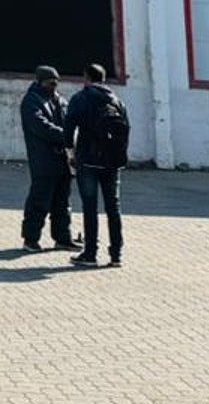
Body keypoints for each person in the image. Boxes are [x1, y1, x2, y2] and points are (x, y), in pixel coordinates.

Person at [64, 63, 128, 268]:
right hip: (112, 162)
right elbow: (126, 129)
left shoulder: (80, 99)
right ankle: (116, 254)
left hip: (89, 161)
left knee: (90, 207)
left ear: (86, 78)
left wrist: (70, 153)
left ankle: (90, 253)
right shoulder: (117, 100)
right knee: (113, 208)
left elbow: (68, 128)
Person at [19, 64, 78, 253]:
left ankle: (63, 238)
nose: (53, 87)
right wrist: (66, 136)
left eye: (55, 83)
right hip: (43, 160)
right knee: (39, 201)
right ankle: (31, 239)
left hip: (63, 160)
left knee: (62, 202)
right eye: (49, 83)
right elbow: (41, 127)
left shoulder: (59, 100)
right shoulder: (31, 101)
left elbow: (70, 120)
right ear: (39, 82)